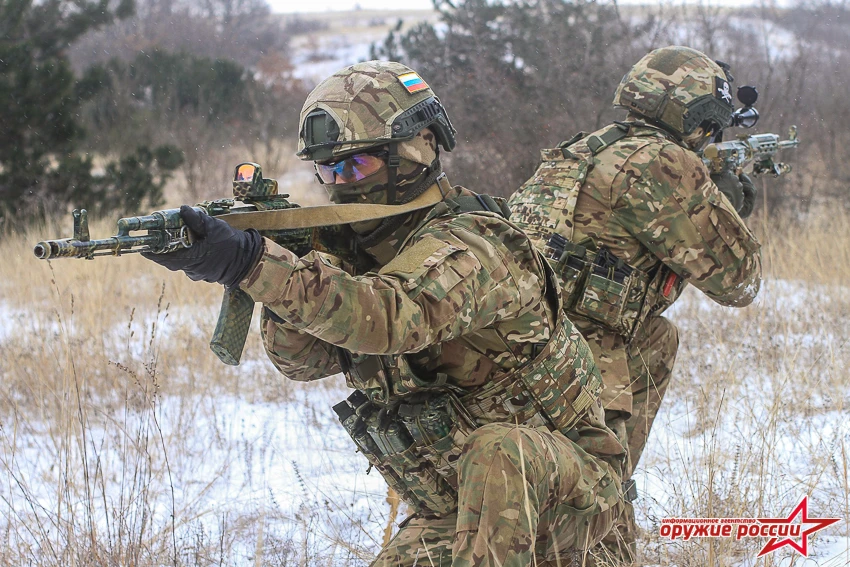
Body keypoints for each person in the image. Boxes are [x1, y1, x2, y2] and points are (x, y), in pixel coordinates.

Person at [143, 60, 628, 566]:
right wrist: (289, 266)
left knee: (500, 451)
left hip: (569, 496)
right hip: (457, 510)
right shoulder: (359, 251)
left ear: (418, 149)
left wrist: (255, 264)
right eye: (328, 169)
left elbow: (392, 317)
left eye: (357, 165)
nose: (341, 182)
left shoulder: (479, 242)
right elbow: (301, 362)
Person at [507, 45, 763, 565]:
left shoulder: (582, 149)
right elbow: (740, 282)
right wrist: (727, 205)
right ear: (699, 118)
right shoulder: (664, 162)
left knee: (656, 338)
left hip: (514, 337)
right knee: (596, 517)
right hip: (570, 355)